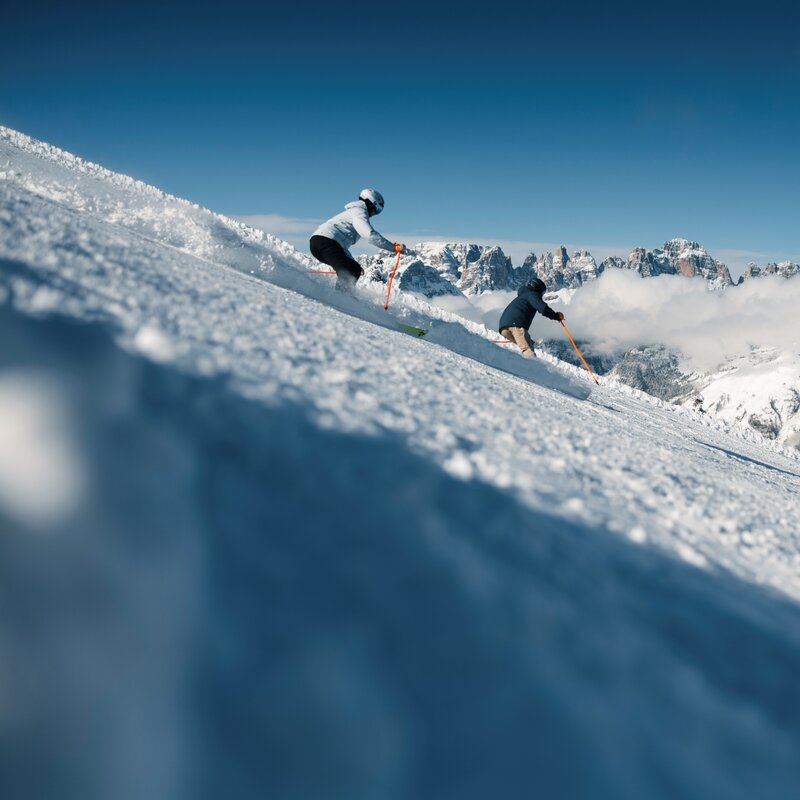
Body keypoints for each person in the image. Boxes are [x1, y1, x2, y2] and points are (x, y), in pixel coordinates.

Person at [310, 189, 408, 290]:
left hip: (320, 243)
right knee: (348, 271)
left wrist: (352, 262)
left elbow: (340, 246)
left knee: (353, 268)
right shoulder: (359, 212)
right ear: (372, 203)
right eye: (377, 209)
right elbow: (370, 236)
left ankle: (340, 296)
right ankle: (340, 297)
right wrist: (393, 247)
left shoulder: (354, 213)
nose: (375, 213)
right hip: (325, 242)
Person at [497, 277, 564, 358]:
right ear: (538, 288)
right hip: (516, 325)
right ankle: (533, 368)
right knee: (528, 351)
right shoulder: (532, 295)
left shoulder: (523, 296)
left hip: (504, 327)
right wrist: (556, 316)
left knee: (529, 344)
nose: (541, 295)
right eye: (542, 292)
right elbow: (543, 308)